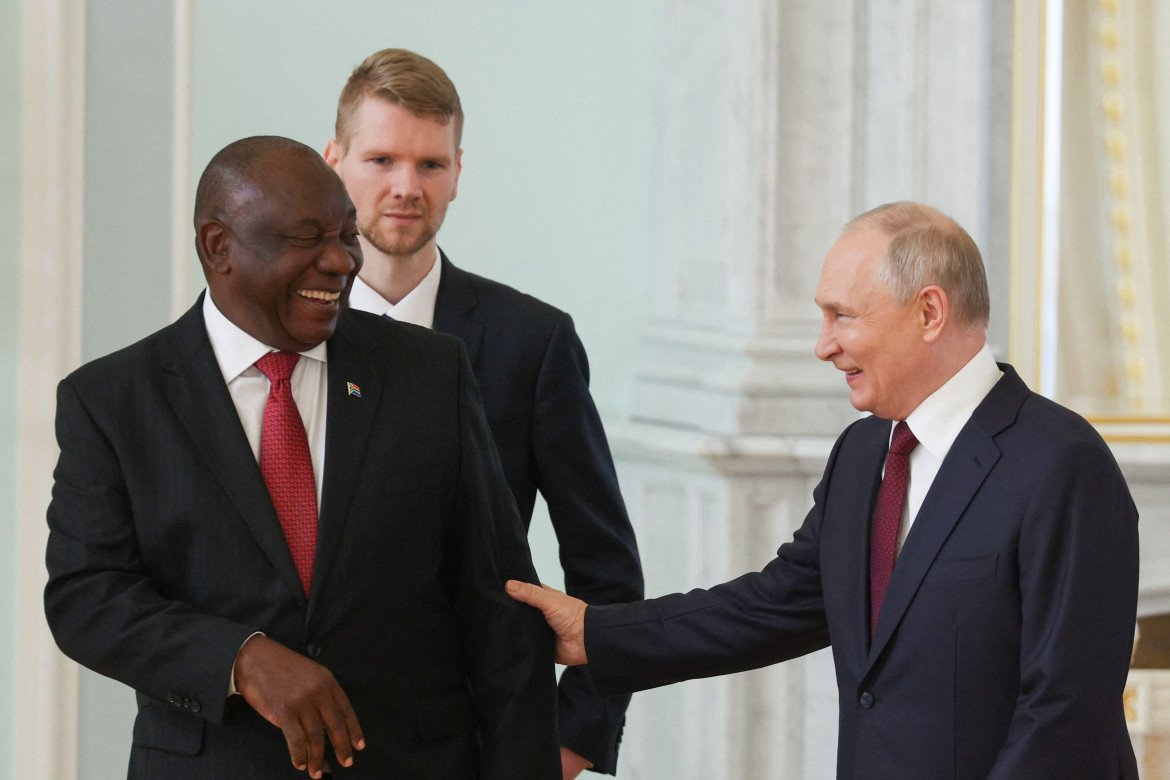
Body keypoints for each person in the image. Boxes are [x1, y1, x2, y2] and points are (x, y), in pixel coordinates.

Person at [509, 202, 1141, 779]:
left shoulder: (1063, 464)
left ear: (929, 312)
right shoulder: (865, 453)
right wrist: (598, 632)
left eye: (843, 315)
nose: (823, 345)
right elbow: (778, 604)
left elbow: (1066, 715)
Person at [44, 136, 559, 779]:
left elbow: (501, 610)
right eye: (305, 238)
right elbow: (87, 597)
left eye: (345, 235)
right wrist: (240, 658)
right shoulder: (113, 400)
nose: (342, 262)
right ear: (218, 246)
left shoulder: (430, 371)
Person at [323, 48, 644, 778]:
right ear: (334, 161)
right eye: (381, 160)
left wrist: (569, 743)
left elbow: (608, 569)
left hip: (477, 744)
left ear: (459, 171)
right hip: (308, 742)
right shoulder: (284, 336)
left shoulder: (533, 342)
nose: (407, 187)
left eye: (431, 165)